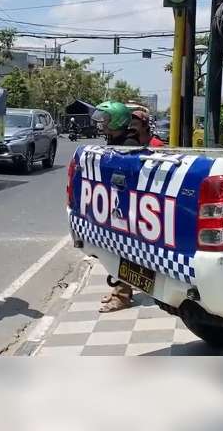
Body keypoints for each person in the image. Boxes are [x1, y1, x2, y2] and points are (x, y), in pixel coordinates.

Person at [92, 101, 142, 313]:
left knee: (123, 249)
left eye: (106, 119)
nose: (102, 123)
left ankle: (122, 295)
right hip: (116, 201)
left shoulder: (128, 143)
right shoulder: (115, 139)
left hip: (126, 204)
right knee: (113, 248)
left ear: (117, 120)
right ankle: (118, 289)